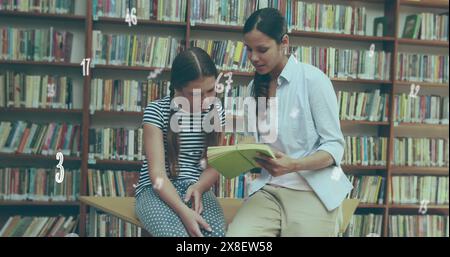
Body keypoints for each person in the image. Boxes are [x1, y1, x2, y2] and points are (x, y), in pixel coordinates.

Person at [226, 8, 352, 237]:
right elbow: (264, 143)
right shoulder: (256, 87)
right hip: (268, 190)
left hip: (312, 191)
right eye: (249, 49)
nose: (253, 58)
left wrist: (293, 165)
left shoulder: (314, 80)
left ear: (284, 42)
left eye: (262, 50)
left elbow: (334, 148)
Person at [135, 47, 226, 237]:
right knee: (177, 235)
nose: (206, 101)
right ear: (178, 88)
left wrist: (199, 188)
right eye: (196, 94)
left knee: (215, 234)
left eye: (210, 91)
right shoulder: (156, 112)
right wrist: (182, 211)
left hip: (196, 188)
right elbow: (157, 175)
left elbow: (215, 165)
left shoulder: (216, 112)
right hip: (157, 191)